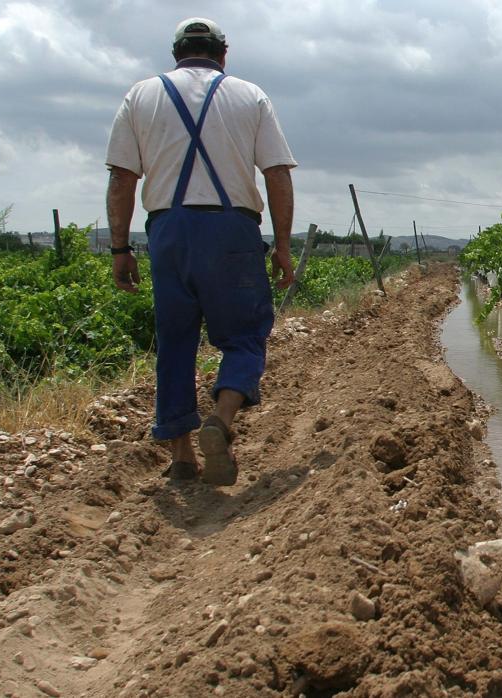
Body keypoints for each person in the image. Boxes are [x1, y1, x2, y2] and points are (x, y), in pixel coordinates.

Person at [106, 17, 296, 486]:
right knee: (245, 336)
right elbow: (277, 174)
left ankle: (183, 455)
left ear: (176, 54)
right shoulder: (250, 96)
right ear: (222, 55)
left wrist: (119, 248)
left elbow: (121, 178)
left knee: (174, 342)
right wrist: (284, 247)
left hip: (167, 230)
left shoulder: (141, 95)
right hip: (231, 229)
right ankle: (222, 419)